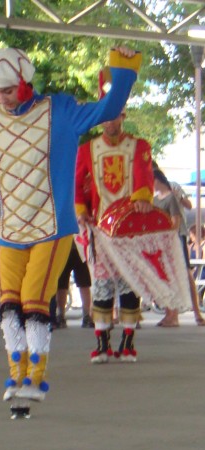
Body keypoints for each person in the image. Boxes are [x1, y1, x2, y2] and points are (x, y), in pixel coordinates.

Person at [0, 46, 142, 406]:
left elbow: (108, 109)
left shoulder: (60, 110)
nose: (1, 99)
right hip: (10, 231)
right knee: (9, 304)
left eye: (7, 90)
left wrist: (122, 67)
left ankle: (36, 378)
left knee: (34, 300)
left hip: (52, 227)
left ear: (25, 82)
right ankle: (16, 375)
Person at [75, 109, 154, 363]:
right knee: (101, 285)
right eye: (106, 116)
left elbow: (144, 175)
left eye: (115, 115)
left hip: (130, 230)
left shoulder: (138, 146)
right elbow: (77, 184)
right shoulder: (87, 149)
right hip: (100, 229)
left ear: (123, 116)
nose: (110, 121)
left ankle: (128, 342)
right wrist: (81, 210)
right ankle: (102, 344)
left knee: (129, 283)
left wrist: (143, 198)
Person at [153, 168, 205, 327]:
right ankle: (170, 313)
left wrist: (179, 197)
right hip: (162, 239)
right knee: (166, 275)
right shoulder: (151, 194)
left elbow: (188, 206)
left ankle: (195, 312)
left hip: (178, 235)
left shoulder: (173, 188)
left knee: (185, 274)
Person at [55, 240, 93, 329]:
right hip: (63, 248)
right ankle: (61, 315)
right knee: (61, 284)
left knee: (84, 283)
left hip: (81, 247)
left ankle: (87, 315)